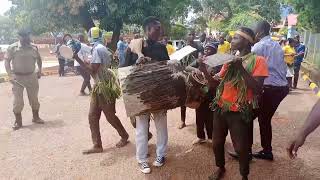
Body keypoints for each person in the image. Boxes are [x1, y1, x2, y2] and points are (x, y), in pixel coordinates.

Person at [203, 27, 269, 180]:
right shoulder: (229, 61)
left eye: (236, 38)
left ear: (246, 42)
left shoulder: (259, 61)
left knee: (241, 148)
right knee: (217, 143)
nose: (231, 41)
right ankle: (220, 168)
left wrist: (241, 68)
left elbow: (258, 89)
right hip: (221, 107)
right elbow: (214, 83)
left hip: (240, 110)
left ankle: (244, 176)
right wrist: (204, 70)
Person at [73, 28, 129, 155]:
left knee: (109, 116)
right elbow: (97, 66)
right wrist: (86, 61)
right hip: (101, 86)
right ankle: (97, 145)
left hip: (103, 87)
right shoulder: (100, 47)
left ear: (91, 36)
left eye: (88, 35)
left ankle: (124, 136)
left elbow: (92, 70)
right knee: (93, 116)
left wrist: (77, 58)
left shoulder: (97, 49)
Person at [132, 16, 170, 174]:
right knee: (141, 127)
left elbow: (166, 69)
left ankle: (161, 154)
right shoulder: (135, 46)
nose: (159, 31)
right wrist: (138, 63)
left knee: (161, 125)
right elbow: (123, 68)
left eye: (160, 29)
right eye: (156, 29)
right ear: (147, 30)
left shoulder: (162, 48)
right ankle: (142, 159)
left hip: (158, 92)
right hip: (141, 93)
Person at [251, 20, 289, 161]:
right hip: (281, 88)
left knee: (248, 117)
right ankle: (267, 151)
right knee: (264, 119)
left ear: (259, 32)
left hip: (270, 89)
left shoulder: (258, 47)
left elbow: (246, 64)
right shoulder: (276, 45)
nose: (253, 34)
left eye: (254, 31)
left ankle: (245, 151)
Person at [5, 28, 44, 130]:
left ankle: (36, 117)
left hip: (32, 76)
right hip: (17, 78)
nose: (26, 38)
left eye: (27, 35)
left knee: (34, 98)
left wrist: (39, 70)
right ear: (19, 37)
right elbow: (7, 62)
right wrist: (10, 75)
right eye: (24, 36)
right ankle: (18, 121)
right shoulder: (12, 48)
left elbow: (39, 59)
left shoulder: (34, 47)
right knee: (18, 101)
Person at [186, 43, 220, 145]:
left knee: (210, 116)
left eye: (210, 49)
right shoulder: (201, 60)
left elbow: (215, 80)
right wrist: (195, 68)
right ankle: (200, 136)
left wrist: (205, 71)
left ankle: (211, 137)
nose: (207, 51)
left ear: (215, 52)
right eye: (206, 49)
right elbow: (187, 67)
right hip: (200, 92)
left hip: (212, 92)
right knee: (199, 115)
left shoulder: (217, 63)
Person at [178, 30, 204, 129]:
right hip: (184, 74)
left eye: (193, 34)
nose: (192, 36)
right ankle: (182, 121)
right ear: (186, 36)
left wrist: (197, 64)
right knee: (183, 98)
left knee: (198, 97)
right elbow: (179, 62)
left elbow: (201, 58)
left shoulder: (198, 46)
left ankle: (200, 124)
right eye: (189, 34)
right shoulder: (182, 47)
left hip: (196, 75)